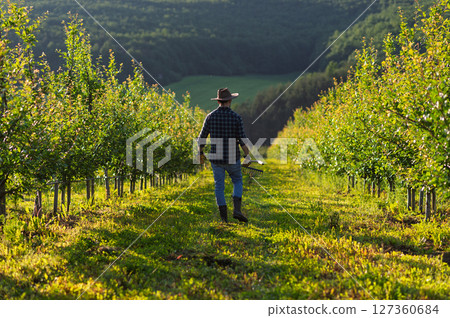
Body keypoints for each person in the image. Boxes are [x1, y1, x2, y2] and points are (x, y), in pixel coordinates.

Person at [197, 88, 251, 223]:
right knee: (237, 180)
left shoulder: (210, 117)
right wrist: (248, 156)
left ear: (219, 101)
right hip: (232, 157)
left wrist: (200, 153)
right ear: (230, 100)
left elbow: (201, 138)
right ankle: (237, 210)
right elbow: (242, 139)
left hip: (216, 158)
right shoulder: (236, 117)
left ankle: (224, 219)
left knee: (219, 186)